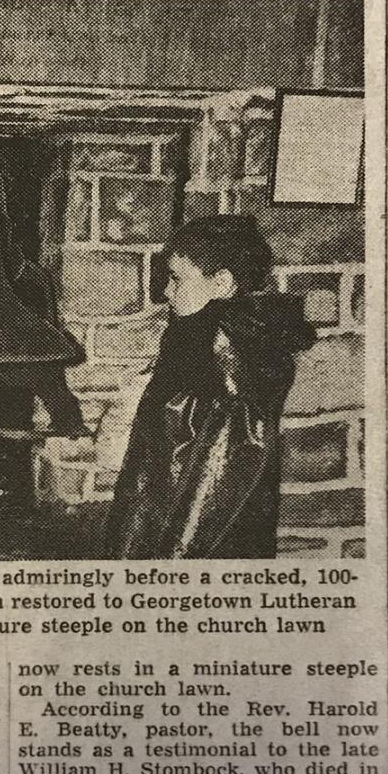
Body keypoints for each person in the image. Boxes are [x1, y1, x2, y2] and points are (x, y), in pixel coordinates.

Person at [106, 214, 316, 559]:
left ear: (221, 284)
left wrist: (176, 562)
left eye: (176, 279)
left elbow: (221, 474)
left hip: (192, 546)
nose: (165, 292)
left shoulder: (229, 348)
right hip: (166, 520)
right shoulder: (198, 335)